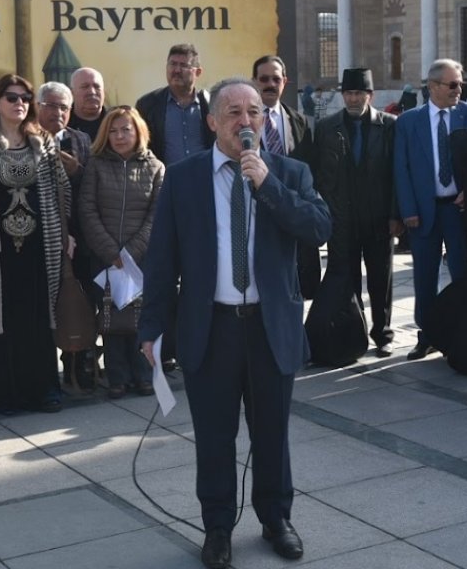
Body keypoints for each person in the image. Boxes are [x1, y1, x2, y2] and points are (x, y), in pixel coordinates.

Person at [139, 79, 331, 568]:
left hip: (270, 326)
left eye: (254, 112)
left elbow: (318, 227)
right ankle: (218, 527)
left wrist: (267, 186)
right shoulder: (183, 179)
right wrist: (151, 329)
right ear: (212, 122)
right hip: (212, 327)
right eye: (233, 113)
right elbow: (162, 259)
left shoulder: (289, 172)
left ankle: (275, 519)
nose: (245, 121)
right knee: (215, 435)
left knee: (271, 432)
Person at [0, 73, 70, 414]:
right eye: (11, 96)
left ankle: (46, 390)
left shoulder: (44, 140)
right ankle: (7, 394)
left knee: (41, 316)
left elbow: (61, 189)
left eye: (25, 97)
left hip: (42, 244)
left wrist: (68, 234)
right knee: (2, 318)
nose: (19, 102)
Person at [309, 68, 400, 356]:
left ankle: (382, 333)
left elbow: (398, 174)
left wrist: (395, 215)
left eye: (359, 93)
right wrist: (328, 204)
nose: (353, 99)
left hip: (378, 217)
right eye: (348, 93)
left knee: (379, 277)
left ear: (369, 95)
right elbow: (318, 172)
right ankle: (353, 329)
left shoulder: (388, 125)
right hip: (342, 218)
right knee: (345, 277)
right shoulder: (326, 128)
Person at [394, 59, 467, 360]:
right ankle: (427, 335)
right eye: (453, 84)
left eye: (461, 84)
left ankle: (462, 332)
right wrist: (407, 210)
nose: (460, 89)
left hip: (458, 212)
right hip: (424, 212)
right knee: (424, 277)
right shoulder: (408, 122)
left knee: (462, 274)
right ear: (432, 87)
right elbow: (401, 169)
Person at [79, 106, 165, 399]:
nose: (119, 136)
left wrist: (132, 252)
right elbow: (87, 210)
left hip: (141, 260)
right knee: (111, 320)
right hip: (106, 259)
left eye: (125, 129)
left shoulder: (155, 167)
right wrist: (111, 252)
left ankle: (143, 376)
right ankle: (117, 378)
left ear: (138, 131)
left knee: (141, 319)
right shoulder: (96, 165)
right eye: (113, 131)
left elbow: (158, 216)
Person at [38, 80, 100, 393]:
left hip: (80, 237)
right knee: (47, 307)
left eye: (63, 107)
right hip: (41, 236)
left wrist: (78, 172)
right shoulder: (26, 139)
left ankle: (80, 368)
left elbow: (93, 187)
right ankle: (45, 373)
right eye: (50, 105)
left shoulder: (82, 139)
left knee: (80, 303)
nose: (57, 112)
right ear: (38, 107)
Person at [252, 55, 320, 301]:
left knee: (298, 288)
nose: (270, 84)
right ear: (254, 81)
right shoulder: (244, 123)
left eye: (276, 78)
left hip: (293, 214)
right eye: (264, 79)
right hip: (258, 216)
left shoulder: (298, 120)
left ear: (285, 82)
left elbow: (308, 168)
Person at [136, 44, 213, 164]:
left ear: (198, 72)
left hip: (205, 178)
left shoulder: (211, 105)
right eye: (172, 64)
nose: (177, 70)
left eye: (183, 65)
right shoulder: (147, 105)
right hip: (165, 180)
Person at [68, 67, 108, 142]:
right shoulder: (62, 125)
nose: (92, 92)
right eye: (85, 87)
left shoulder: (115, 124)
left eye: (97, 87)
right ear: (72, 93)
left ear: (104, 92)